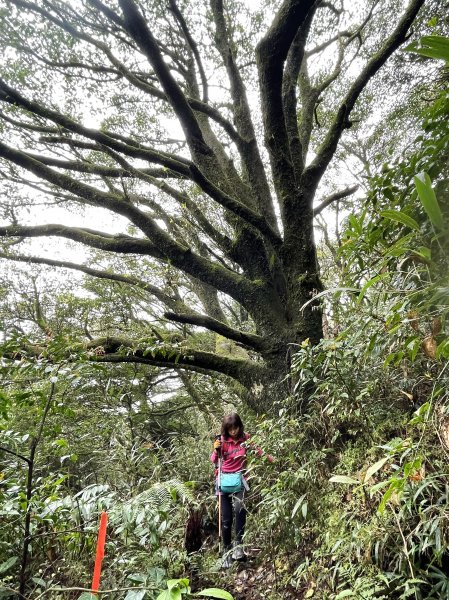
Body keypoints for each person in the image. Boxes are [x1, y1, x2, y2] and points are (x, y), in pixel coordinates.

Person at [210, 412, 273, 568]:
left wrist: (271, 459)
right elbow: (214, 461)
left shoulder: (245, 438)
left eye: (236, 428)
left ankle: (239, 547)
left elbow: (258, 451)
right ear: (226, 428)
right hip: (223, 481)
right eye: (230, 429)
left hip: (240, 480)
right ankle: (226, 552)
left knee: (240, 512)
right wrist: (215, 449)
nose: (234, 432)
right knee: (226, 519)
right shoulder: (221, 441)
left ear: (239, 426)